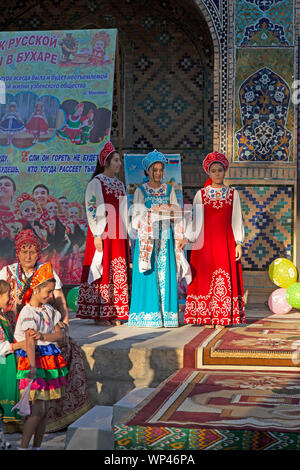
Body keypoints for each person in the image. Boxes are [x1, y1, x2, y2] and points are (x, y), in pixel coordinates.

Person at [0, 229, 92, 431]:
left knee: (69, 351)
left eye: (32, 251)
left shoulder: (47, 271)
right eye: (23, 251)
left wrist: (64, 327)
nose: (28, 256)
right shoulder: (7, 272)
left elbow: (60, 303)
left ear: (38, 252)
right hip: (13, 330)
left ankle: (53, 416)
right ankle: (17, 419)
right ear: (17, 252)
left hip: (43, 327)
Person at [183, 151, 245, 328]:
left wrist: (238, 243)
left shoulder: (233, 194)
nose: (217, 174)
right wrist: (187, 238)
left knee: (223, 278)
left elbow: (236, 219)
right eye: (214, 171)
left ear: (225, 171)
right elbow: (195, 221)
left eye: (220, 170)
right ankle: (206, 316)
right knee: (205, 278)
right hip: (205, 245)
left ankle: (222, 317)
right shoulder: (201, 195)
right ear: (209, 173)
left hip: (225, 244)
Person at [128, 149, 189, 328]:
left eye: (161, 170)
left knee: (165, 272)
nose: (158, 173)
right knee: (149, 272)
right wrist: (152, 214)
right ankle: (148, 315)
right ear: (148, 171)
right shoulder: (140, 190)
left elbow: (176, 212)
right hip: (147, 238)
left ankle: (167, 316)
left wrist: (162, 213)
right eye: (154, 170)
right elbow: (136, 217)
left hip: (165, 236)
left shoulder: (169, 190)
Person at [14, 262, 68, 449]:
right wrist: (32, 366)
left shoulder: (49, 311)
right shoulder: (28, 312)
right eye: (48, 291)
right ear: (36, 289)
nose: (51, 295)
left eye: (53, 291)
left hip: (48, 362)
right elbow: (30, 341)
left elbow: (59, 335)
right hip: (34, 362)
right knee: (37, 410)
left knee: (45, 411)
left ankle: (36, 446)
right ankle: (23, 446)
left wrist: (44, 336)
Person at [77, 141, 130, 326]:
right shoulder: (96, 183)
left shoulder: (119, 185)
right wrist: (97, 234)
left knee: (116, 270)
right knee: (103, 268)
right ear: (106, 163)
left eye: (119, 161)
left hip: (118, 233)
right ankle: (100, 314)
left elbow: (124, 210)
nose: (119, 164)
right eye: (116, 160)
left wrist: (127, 233)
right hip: (104, 232)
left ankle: (114, 312)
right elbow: (92, 209)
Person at [0, 280, 27, 432]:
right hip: (2, 360)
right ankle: (7, 423)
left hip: (7, 361)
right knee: (5, 389)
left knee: (10, 388)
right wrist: (18, 346)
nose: (9, 299)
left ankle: (11, 423)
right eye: (6, 295)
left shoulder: (2, 315)